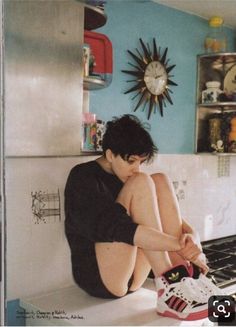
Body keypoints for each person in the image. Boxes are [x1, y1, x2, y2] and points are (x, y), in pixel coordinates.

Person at [64, 114, 222, 321]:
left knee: (159, 179)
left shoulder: (127, 177)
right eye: (131, 161)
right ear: (110, 154)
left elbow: (174, 223)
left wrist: (192, 240)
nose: (136, 168)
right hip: (100, 279)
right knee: (142, 181)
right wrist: (177, 244)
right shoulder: (83, 176)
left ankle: (181, 278)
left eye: (140, 161)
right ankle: (170, 284)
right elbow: (122, 230)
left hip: (133, 277)